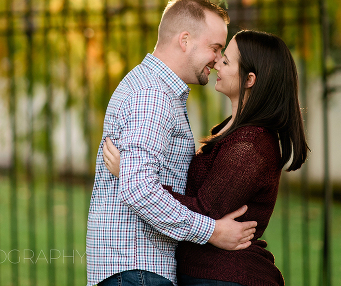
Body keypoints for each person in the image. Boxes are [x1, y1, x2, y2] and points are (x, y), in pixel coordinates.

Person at [103, 30, 309, 286]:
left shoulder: (250, 145)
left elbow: (205, 211)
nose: (217, 61)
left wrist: (131, 173)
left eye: (227, 60)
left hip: (227, 276)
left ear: (250, 79)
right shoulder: (234, 132)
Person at [87, 0, 259, 286]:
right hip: (139, 269)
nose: (218, 60)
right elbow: (139, 189)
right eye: (215, 48)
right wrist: (213, 231)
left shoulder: (153, 89)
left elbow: (139, 181)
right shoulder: (153, 96)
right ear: (185, 40)